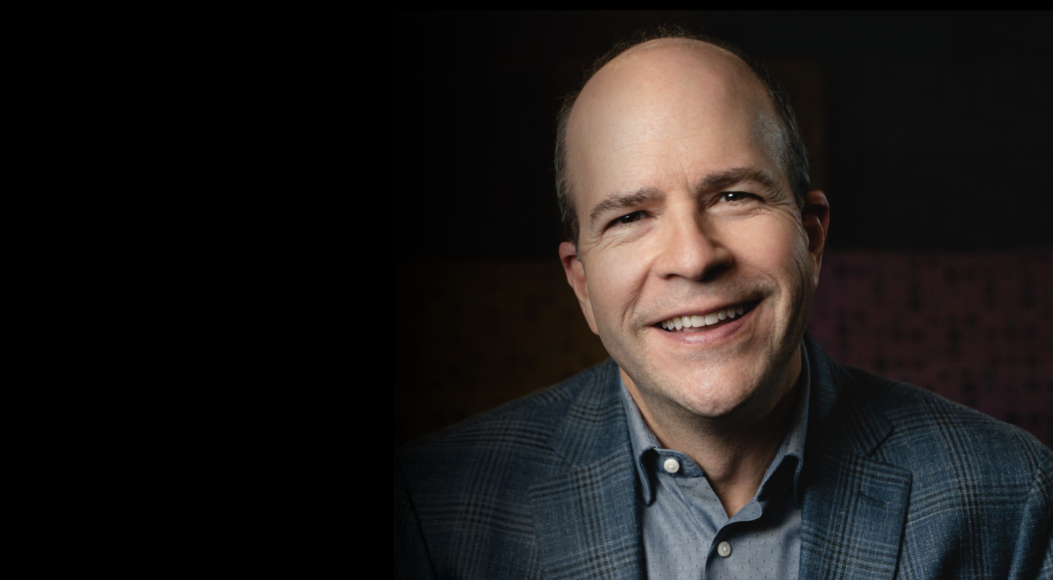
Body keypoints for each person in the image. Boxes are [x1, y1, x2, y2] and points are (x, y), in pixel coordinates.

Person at [394, 32, 1053, 580]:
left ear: (811, 237)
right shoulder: (428, 508)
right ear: (583, 285)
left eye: (734, 196)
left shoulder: (1011, 497)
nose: (693, 257)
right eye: (629, 216)